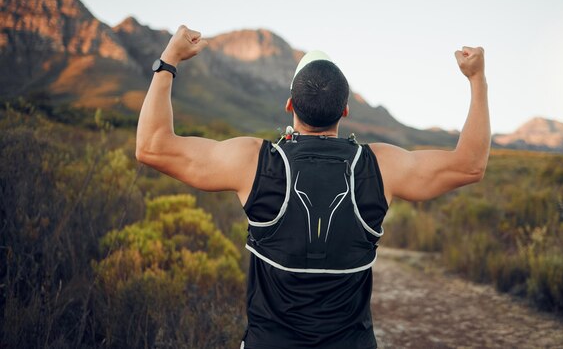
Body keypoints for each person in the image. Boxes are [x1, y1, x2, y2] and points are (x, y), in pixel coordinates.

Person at [136, 25, 491, 349]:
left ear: (290, 105)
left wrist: (169, 60)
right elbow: (470, 165)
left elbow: (152, 147)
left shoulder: (255, 162)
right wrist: (477, 80)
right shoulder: (379, 166)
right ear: (345, 110)